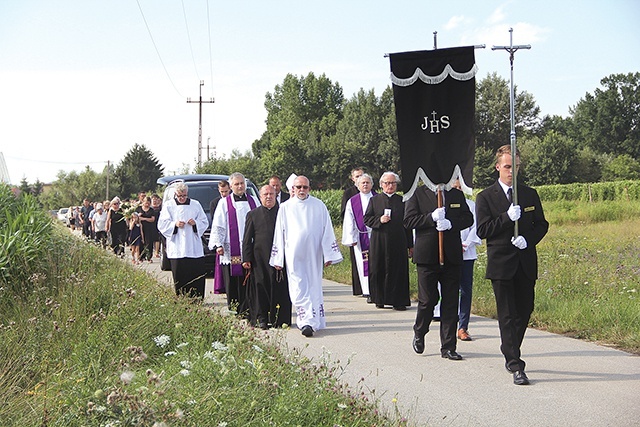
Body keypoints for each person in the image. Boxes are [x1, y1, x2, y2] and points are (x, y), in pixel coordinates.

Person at [476, 144, 549, 385]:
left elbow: (542, 224)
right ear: (498, 167)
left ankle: (509, 346)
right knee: (507, 315)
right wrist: (507, 218)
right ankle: (516, 364)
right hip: (501, 264)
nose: (512, 171)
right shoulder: (486, 197)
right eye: (508, 166)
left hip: (525, 261)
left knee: (525, 310)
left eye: (516, 166)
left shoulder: (529, 194)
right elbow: (483, 229)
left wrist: (527, 239)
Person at [404, 178, 473, 361]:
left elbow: (468, 218)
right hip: (427, 256)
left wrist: (451, 223)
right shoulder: (417, 194)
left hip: (451, 256)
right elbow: (409, 220)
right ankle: (420, 331)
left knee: (450, 302)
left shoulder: (456, 194)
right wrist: (430, 218)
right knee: (428, 300)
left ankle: (448, 346)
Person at [270, 175, 343, 337]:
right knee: (298, 286)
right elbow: (279, 233)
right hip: (293, 254)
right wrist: (278, 258)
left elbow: (327, 230)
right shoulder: (285, 207)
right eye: (298, 187)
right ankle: (305, 321)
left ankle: (314, 320)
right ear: (293, 189)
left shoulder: (319, 205)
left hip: (313, 253)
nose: (301, 190)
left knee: (313, 285)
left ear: (309, 188)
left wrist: (329, 254)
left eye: (305, 187)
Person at [210, 172, 260, 314]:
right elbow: (218, 224)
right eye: (236, 184)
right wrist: (218, 244)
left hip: (250, 246)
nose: (240, 186)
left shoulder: (254, 201)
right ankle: (235, 308)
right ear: (231, 186)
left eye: (242, 183)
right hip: (231, 247)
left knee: (249, 278)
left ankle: (249, 308)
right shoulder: (224, 202)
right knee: (233, 280)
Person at [242, 185, 292, 329]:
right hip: (260, 259)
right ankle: (261, 318)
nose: (268, 197)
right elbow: (247, 239)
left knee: (280, 288)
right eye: (265, 194)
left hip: (281, 258)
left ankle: (280, 319)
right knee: (260, 288)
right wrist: (246, 258)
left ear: (276, 195)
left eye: (271, 194)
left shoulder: (284, 212)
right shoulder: (253, 214)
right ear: (260, 197)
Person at [363, 172, 413, 310]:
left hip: (398, 240)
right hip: (379, 240)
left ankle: (399, 301)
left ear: (396, 185)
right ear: (381, 185)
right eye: (386, 183)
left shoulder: (403, 200)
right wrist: (379, 220)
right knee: (379, 268)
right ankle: (379, 298)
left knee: (398, 270)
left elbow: (408, 224)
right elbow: (366, 219)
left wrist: (410, 245)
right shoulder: (374, 200)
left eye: (392, 183)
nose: (389, 186)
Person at [158, 182, 209, 297]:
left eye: (184, 196)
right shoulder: (169, 205)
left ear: (187, 193)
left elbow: (204, 221)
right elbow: (162, 224)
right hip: (177, 246)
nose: (182, 198)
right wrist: (174, 224)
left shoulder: (195, 204)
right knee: (180, 275)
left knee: (195, 274)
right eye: (179, 196)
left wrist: (195, 223)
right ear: (175, 194)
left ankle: (197, 297)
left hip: (193, 246)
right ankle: (181, 297)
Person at [452, 179, 482, 341]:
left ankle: (463, 326)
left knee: (465, 290)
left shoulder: (471, 205)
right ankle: (449, 323)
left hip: (467, 253)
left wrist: (466, 244)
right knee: (449, 290)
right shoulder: (443, 204)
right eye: (454, 187)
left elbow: (477, 226)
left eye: (460, 187)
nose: (457, 189)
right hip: (449, 254)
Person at [342, 173, 375, 302]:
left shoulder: (377, 198)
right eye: (363, 183)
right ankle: (367, 290)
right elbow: (349, 221)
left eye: (368, 182)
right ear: (358, 185)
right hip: (361, 236)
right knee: (363, 264)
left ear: (372, 184)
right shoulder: (353, 201)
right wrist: (351, 237)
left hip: (377, 236)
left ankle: (377, 289)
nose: (365, 185)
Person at [341, 167, 365, 296]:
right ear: (352, 179)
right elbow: (344, 213)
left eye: (362, 175)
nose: (360, 179)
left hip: (369, 232)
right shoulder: (349, 193)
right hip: (356, 231)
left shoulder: (370, 192)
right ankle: (359, 288)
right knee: (357, 261)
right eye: (357, 176)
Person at [209, 180, 231, 295]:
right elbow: (216, 221)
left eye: (226, 191)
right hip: (223, 235)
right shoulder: (215, 203)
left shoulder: (233, 201)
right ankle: (221, 286)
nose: (224, 194)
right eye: (222, 192)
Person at [137, 196, 157, 262]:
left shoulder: (151, 210)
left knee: (149, 242)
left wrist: (144, 218)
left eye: (148, 203)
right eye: (146, 203)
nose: (147, 204)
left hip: (149, 228)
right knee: (141, 242)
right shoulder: (139, 209)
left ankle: (149, 257)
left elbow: (152, 219)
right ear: (143, 202)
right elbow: (136, 218)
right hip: (140, 228)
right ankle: (141, 257)